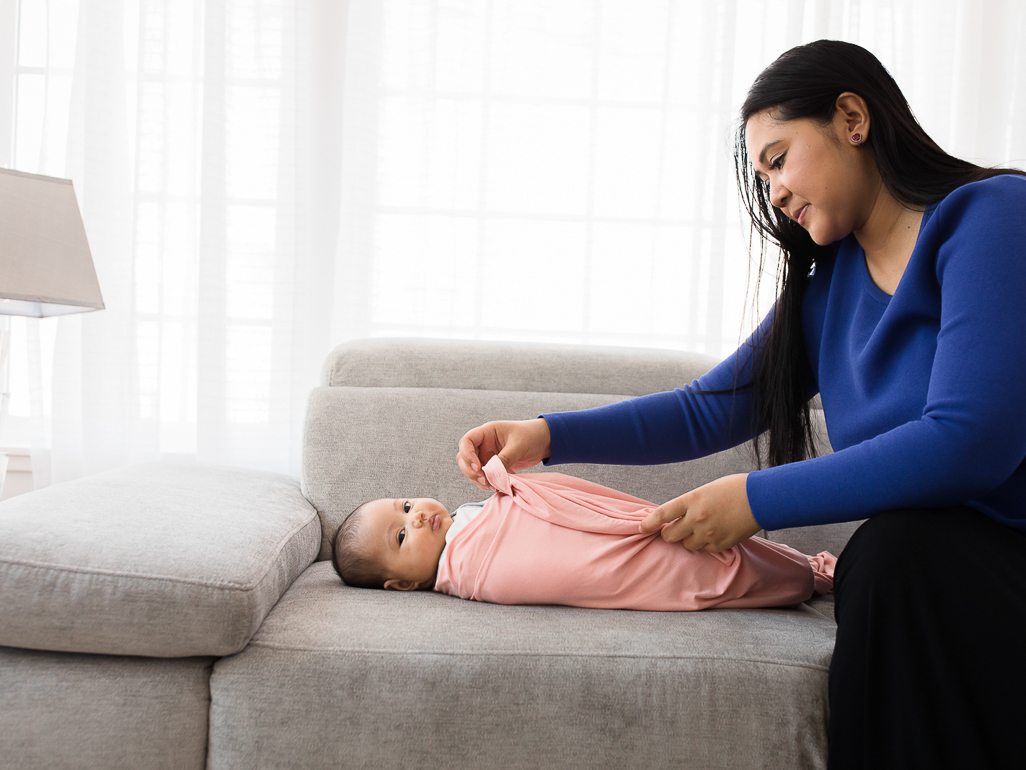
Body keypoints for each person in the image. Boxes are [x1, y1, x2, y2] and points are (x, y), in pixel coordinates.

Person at [456, 40, 1026, 770]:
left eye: (780, 158)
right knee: (890, 558)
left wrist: (754, 499)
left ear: (852, 117)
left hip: (1001, 563)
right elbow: (710, 409)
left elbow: (970, 439)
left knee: (891, 558)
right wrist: (544, 434)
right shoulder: (830, 290)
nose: (775, 192)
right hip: (927, 574)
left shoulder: (991, 219)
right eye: (764, 177)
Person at [332, 455, 835, 609]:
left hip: (590, 522)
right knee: (671, 560)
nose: (415, 516)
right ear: (404, 584)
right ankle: (798, 575)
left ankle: (795, 569)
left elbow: (566, 500)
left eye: (404, 505)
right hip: (603, 553)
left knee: (667, 527)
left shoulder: (467, 516)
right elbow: (565, 567)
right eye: (400, 536)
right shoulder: (470, 564)